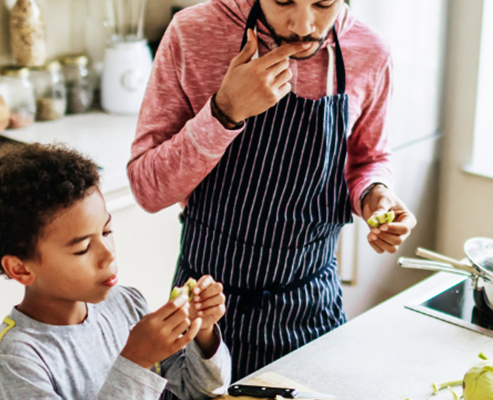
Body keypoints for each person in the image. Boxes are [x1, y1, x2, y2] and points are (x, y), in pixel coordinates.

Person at [127, 0, 417, 377]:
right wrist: (224, 111)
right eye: (283, 1)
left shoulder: (369, 51)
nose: (303, 25)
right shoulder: (193, 34)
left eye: (323, 3)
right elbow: (147, 190)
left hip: (311, 308)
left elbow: (368, 159)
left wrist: (374, 194)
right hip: (205, 312)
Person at [0, 143, 230, 399]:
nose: (108, 255)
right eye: (82, 249)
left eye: (106, 232)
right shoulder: (14, 359)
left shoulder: (125, 305)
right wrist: (137, 360)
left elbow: (202, 391)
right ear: (21, 269)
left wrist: (202, 332)